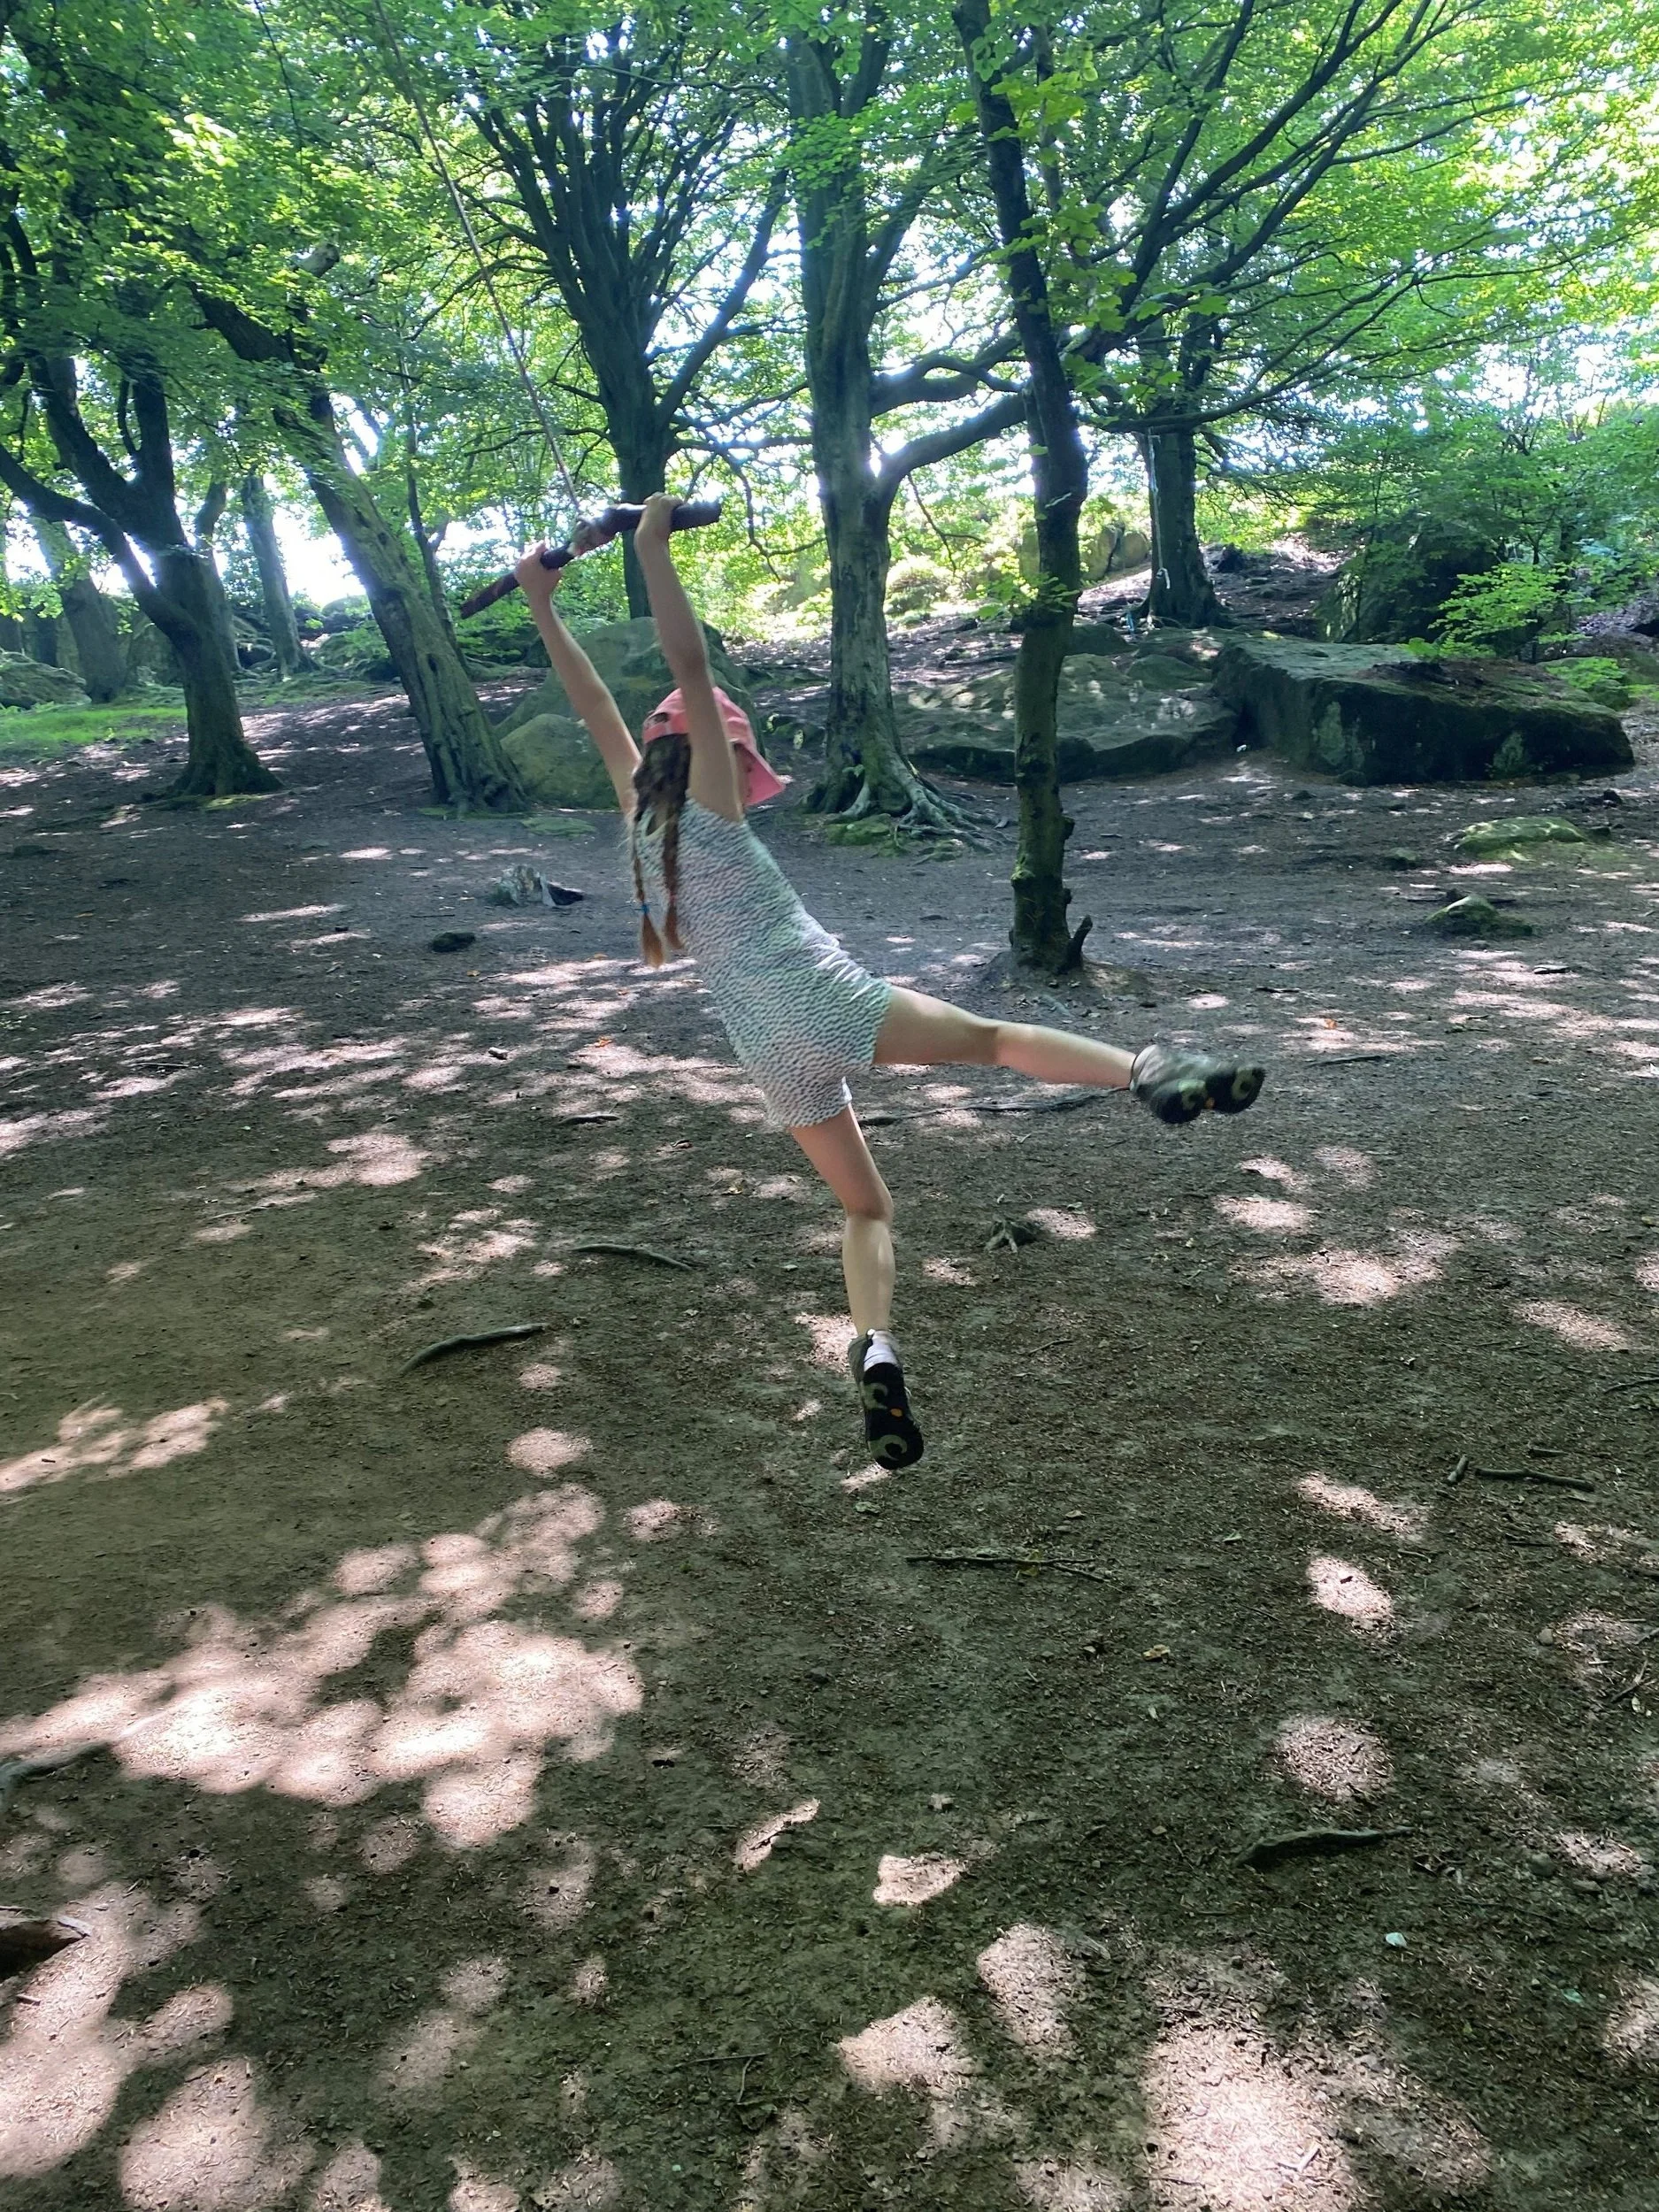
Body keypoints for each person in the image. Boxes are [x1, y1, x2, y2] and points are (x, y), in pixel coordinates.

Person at [515, 496, 1263, 1471]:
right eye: (743, 762)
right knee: (993, 1040)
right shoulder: (714, 808)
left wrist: (542, 604)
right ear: (720, 757)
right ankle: (1150, 1069)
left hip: (769, 1055)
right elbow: (688, 664)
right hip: (824, 1002)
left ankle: (876, 1347)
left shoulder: (640, 817)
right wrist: (653, 549)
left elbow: (593, 702)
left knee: (866, 1208)